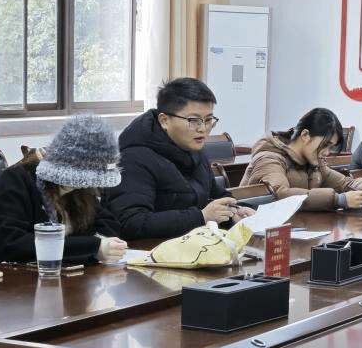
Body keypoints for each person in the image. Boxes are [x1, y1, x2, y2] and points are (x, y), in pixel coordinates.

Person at [106, 78, 252, 239]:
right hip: (146, 250)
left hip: (191, 245)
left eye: (208, 120)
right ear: (164, 121)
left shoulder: (194, 151)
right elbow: (130, 223)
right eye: (193, 121)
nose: (203, 129)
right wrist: (201, 217)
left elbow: (217, 195)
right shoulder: (133, 159)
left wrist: (235, 210)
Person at [0, 114, 128, 267]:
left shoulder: (80, 187)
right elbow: (11, 244)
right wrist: (91, 247)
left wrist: (103, 244)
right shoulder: (17, 180)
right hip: (19, 276)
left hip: (69, 274)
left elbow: (108, 224)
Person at [240, 107, 362, 210]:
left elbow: (345, 183)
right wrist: (339, 200)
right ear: (305, 135)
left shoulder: (313, 163)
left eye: (331, 147)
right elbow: (281, 194)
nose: (327, 153)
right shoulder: (269, 158)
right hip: (253, 237)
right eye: (325, 145)